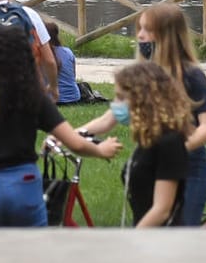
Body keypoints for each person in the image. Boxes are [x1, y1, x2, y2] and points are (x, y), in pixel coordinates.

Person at [0, 26, 116, 226]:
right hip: (24, 181)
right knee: (34, 247)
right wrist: (100, 150)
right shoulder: (33, 98)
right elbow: (74, 143)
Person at [77, 61, 186, 227]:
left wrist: (132, 239)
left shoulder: (169, 142)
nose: (115, 104)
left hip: (163, 240)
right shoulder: (147, 137)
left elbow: (162, 209)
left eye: (121, 97)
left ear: (142, 99)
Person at [137, 4, 206, 226]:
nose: (140, 35)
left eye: (147, 29)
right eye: (139, 28)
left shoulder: (192, 76)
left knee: (182, 233)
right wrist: (75, 133)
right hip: (157, 167)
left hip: (191, 169)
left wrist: (175, 150)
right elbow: (114, 114)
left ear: (167, 35)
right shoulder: (147, 74)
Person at [46, 21, 80, 104]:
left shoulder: (44, 55)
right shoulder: (68, 52)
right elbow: (73, 76)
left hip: (52, 98)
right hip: (74, 96)